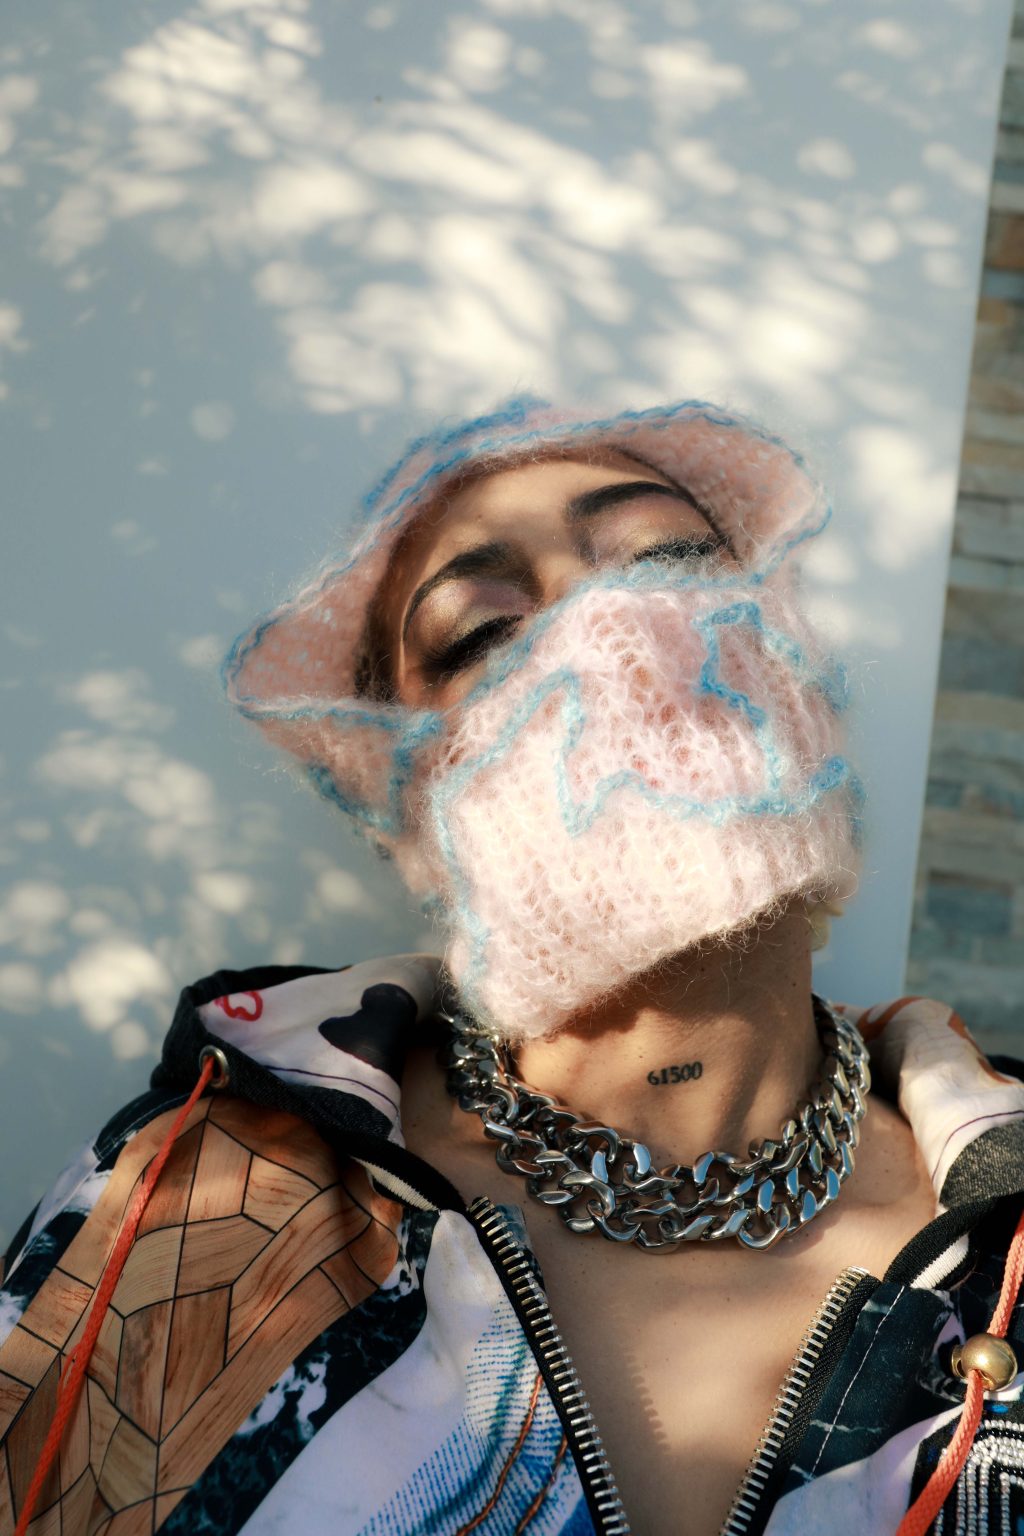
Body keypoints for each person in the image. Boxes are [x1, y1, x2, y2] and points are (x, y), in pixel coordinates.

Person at [2, 397, 1023, 1536]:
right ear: (412, 800)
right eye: (481, 633)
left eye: (669, 559)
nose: (609, 625)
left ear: (796, 663)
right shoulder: (196, 1202)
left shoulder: (1011, 1227)